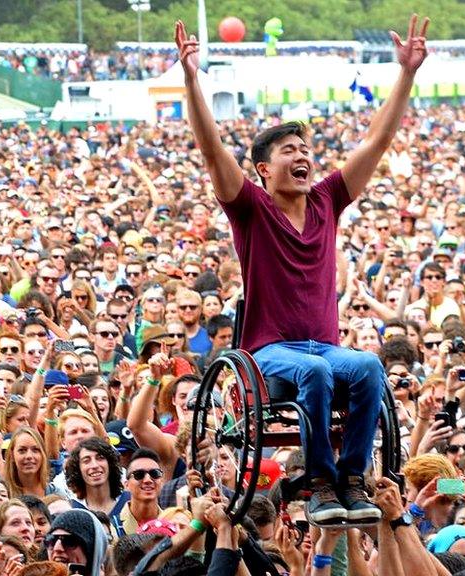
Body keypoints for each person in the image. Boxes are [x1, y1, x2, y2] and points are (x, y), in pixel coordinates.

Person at [175, 13, 430, 525]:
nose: (303, 157)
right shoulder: (248, 206)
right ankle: (318, 482)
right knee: (312, 370)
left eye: (306, 150)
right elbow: (210, 150)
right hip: (271, 352)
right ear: (264, 169)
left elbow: (376, 143)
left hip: (327, 348)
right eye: (290, 150)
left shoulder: (327, 200)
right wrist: (190, 79)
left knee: (370, 367)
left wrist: (406, 74)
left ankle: (352, 479)